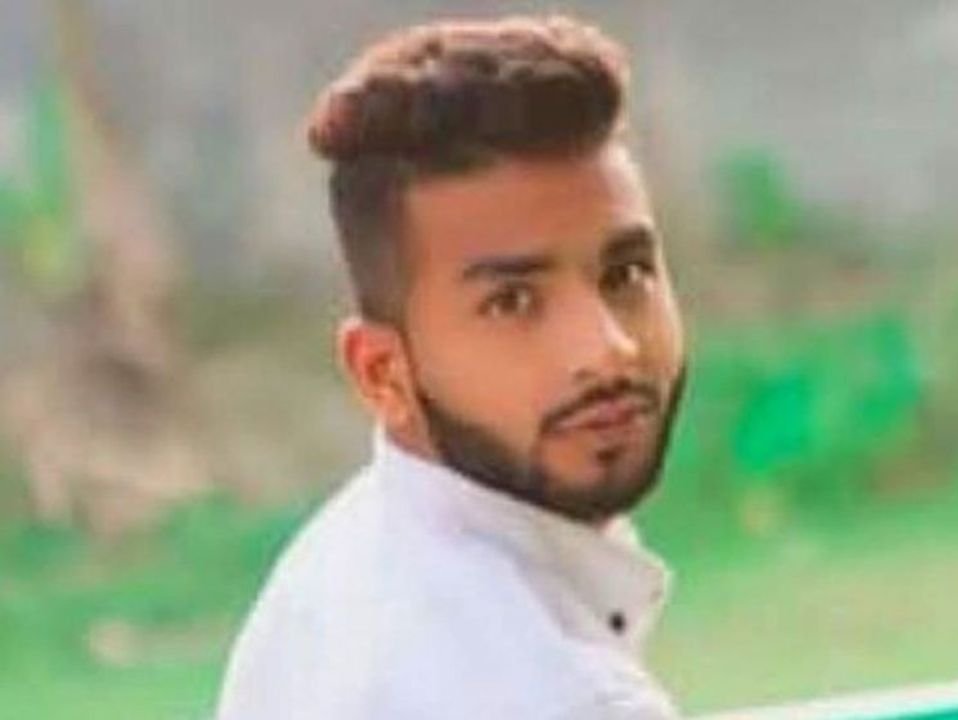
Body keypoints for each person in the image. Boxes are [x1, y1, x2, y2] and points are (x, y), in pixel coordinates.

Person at [215, 14, 687, 720]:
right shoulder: (565, 696)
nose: (608, 347)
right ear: (382, 373)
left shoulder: (338, 569)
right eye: (513, 302)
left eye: (625, 273)